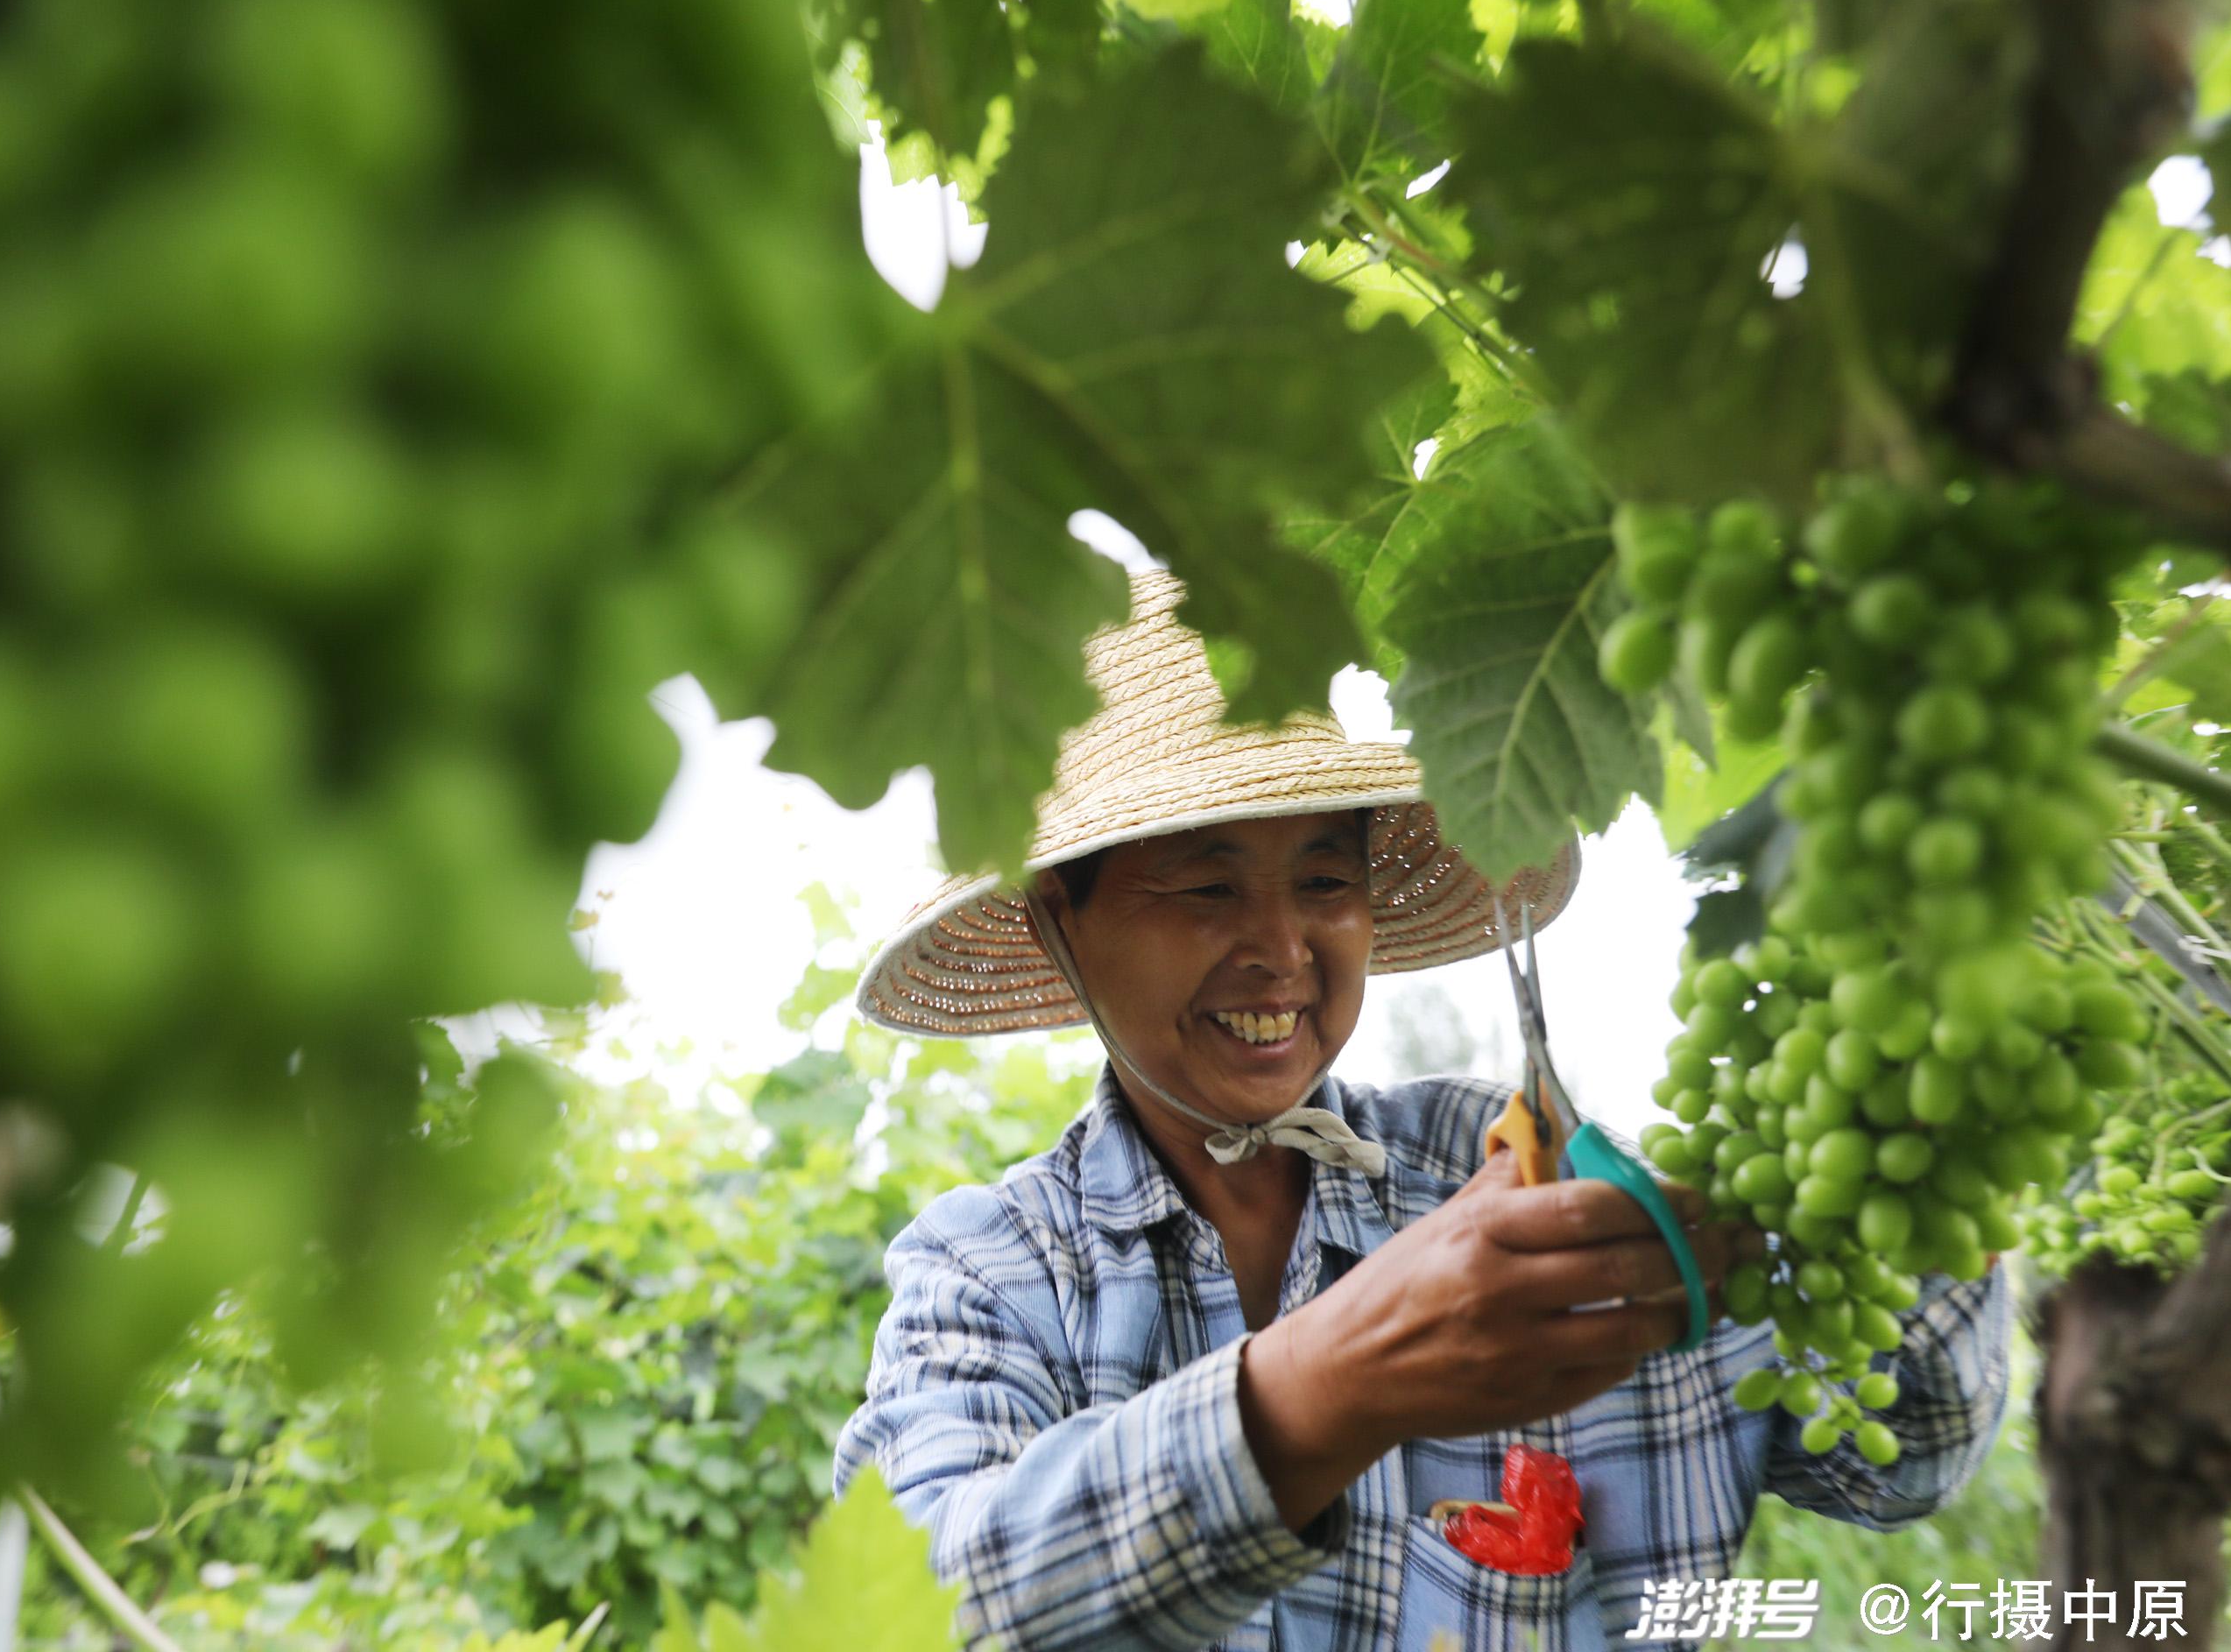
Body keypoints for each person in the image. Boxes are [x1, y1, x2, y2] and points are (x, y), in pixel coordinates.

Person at [833, 568, 2012, 1652]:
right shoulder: (996, 1271)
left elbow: (1899, 1452)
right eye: (1205, 887)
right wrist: (1334, 1381)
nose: (1282, 948)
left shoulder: (1504, 1174)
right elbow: (925, 1612)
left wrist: (1913, 1120)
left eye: (1325, 880)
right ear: (1059, 924)